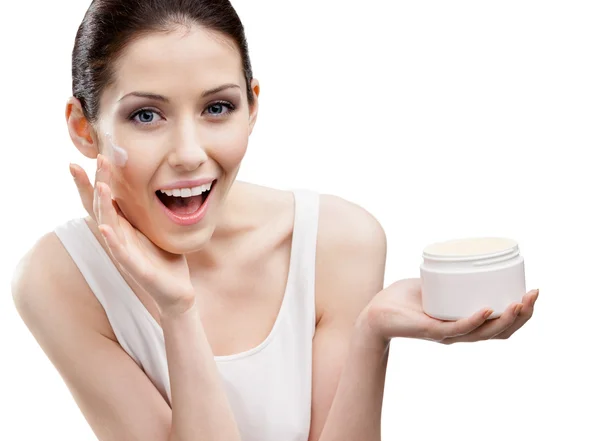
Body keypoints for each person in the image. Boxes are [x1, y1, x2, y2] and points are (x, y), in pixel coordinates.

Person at [11, 1, 539, 441]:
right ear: (84, 127)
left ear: (252, 105)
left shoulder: (339, 241)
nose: (190, 154)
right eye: (146, 115)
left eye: (218, 108)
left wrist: (370, 334)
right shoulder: (58, 280)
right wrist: (177, 310)